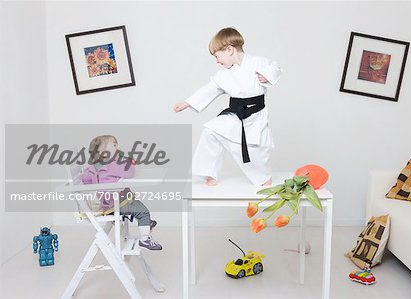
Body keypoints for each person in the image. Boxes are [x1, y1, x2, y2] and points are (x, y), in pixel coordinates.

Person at [174, 27, 282, 186]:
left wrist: (267, 76)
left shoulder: (258, 63)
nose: (217, 61)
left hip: (256, 116)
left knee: (256, 150)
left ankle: (264, 177)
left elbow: (276, 68)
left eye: (217, 56)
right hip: (235, 114)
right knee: (211, 131)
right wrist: (187, 103)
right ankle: (209, 173)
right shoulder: (223, 75)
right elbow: (209, 89)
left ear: (230, 50)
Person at [81, 135, 162, 250]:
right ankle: (145, 239)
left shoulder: (93, 168)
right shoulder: (113, 165)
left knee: (136, 204)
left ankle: (147, 223)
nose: (117, 147)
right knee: (143, 212)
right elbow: (130, 173)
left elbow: (85, 180)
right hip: (118, 204)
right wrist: (130, 161)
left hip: (107, 204)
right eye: (113, 145)